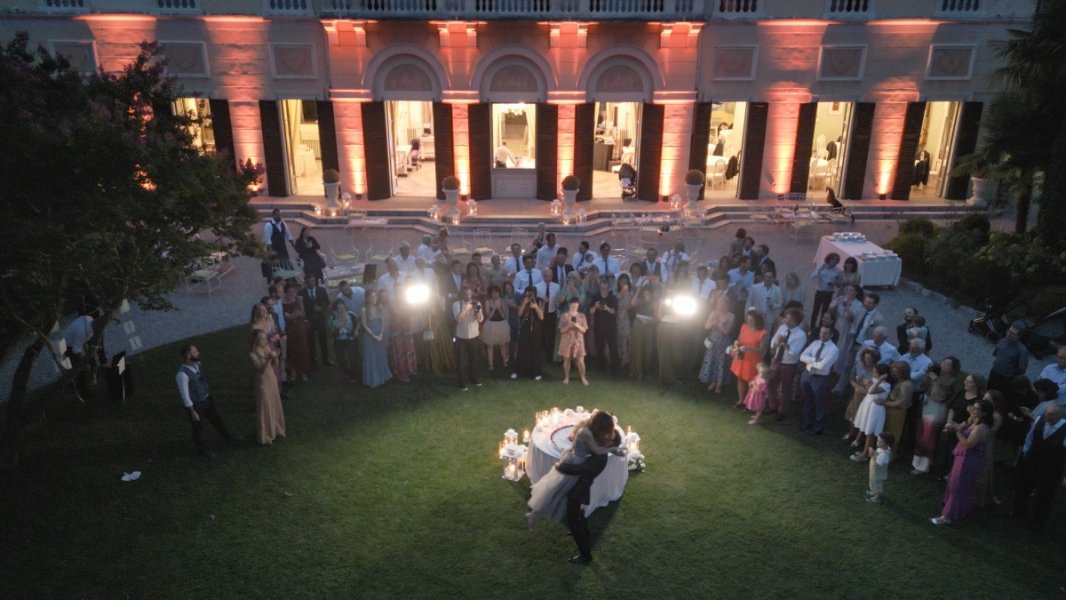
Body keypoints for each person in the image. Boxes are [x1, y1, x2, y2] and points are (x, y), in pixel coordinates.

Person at [544, 412, 623, 565]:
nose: (606, 438)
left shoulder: (600, 458)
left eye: (609, 440)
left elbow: (579, 469)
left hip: (579, 490)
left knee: (573, 519)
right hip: (579, 484)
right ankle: (585, 532)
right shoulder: (599, 449)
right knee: (578, 513)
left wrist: (561, 466)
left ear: (611, 445)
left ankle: (585, 555)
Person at [931, 399, 994, 525]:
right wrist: (955, 427)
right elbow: (962, 425)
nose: (973, 410)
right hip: (963, 458)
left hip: (968, 461)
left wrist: (957, 432)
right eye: (973, 408)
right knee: (955, 484)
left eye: (976, 409)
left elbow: (968, 444)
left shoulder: (981, 428)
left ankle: (947, 516)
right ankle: (957, 511)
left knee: (958, 486)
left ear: (984, 413)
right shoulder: (974, 421)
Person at [1011, 404, 1066, 532]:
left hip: (1051, 467)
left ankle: (1037, 521)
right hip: (1032, 460)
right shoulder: (1038, 420)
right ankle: (1019, 510)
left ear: (1060, 416)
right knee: (1023, 485)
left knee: (1044, 494)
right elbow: (1030, 437)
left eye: (1051, 415)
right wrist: (1025, 452)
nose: (1047, 416)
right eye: (1047, 413)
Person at [175, 344, 236, 458]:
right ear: (188, 356)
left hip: (207, 399)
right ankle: (202, 449)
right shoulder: (182, 375)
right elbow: (185, 395)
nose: (198, 353)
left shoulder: (198, 364)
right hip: (196, 404)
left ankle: (228, 437)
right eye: (195, 352)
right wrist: (192, 411)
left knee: (216, 419)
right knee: (198, 427)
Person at [911, 357, 962, 474]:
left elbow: (941, 396)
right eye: (943, 362)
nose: (944, 365)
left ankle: (923, 466)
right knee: (921, 433)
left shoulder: (952, 381)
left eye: (948, 365)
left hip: (937, 409)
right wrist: (926, 376)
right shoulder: (937, 375)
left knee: (928, 436)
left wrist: (936, 381)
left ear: (953, 369)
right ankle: (919, 461)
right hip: (927, 405)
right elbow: (924, 387)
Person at [766, 308, 807, 420]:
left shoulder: (801, 335)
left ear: (797, 322)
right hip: (776, 361)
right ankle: (772, 406)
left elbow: (795, 352)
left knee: (785, 389)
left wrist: (785, 344)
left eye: (791, 320)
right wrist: (777, 343)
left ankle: (782, 411)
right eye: (787, 319)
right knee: (770, 383)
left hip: (789, 364)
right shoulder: (782, 328)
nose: (787, 322)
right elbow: (773, 342)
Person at [800, 325, 839, 434]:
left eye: (825, 333)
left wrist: (810, 360)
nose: (822, 335)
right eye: (821, 332)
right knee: (807, 399)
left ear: (831, 335)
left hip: (820, 378)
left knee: (820, 402)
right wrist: (815, 359)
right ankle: (808, 422)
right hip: (807, 374)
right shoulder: (814, 343)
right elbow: (802, 356)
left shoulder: (833, 349)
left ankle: (819, 427)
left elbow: (824, 366)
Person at [249, 329, 286, 446]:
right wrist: (270, 358)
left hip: (271, 378)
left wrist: (276, 356)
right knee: (264, 405)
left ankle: (276, 428)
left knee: (274, 402)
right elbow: (260, 368)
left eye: (265, 338)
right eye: (262, 338)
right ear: (256, 340)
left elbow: (274, 364)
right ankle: (265, 435)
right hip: (262, 381)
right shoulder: (252, 354)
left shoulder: (267, 348)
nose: (265, 340)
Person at [851, 363, 892, 461]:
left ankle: (864, 455)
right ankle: (866, 451)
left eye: (875, 372)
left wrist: (879, 381)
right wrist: (871, 382)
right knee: (866, 429)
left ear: (881, 374)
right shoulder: (874, 380)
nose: (873, 373)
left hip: (875, 409)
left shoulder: (886, 385)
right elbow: (866, 386)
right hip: (868, 406)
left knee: (870, 432)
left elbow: (871, 391)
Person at [730, 310, 769, 408]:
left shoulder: (763, 333)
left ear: (757, 320)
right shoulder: (744, 327)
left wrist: (750, 349)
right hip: (741, 356)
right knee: (740, 378)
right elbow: (739, 339)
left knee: (751, 381)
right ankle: (741, 400)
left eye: (751, 320)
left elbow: (762, 349)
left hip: (753, 359)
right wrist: (736, 343)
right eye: (748, 319)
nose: (749, 322)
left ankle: (750, 403)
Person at [699, 296, 736, 394]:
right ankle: (713, 381)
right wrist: (712, 322)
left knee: (721, 363)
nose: (721, 306)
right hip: (713, 341)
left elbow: (727, 331)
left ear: (727, 305)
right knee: (712, 361)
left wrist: (719, 323)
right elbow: (706, 326)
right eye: (719, 303)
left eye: (723, 304)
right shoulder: (713, 313)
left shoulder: (731, 316)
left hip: (724, 342)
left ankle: (719, 383)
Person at [844, 348, 881, 445]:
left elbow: (875, 384)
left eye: (869, 359)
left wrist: (864, 389)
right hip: (857, 393)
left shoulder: (877, 369)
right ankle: (851, 432)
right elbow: (851, 378)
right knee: (852, 412)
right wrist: (858, 388)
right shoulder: (858, 364)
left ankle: (859, 437)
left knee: (863, 416)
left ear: (874, 359)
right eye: (865, 358)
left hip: (868, 396)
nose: (867, 360)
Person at [453, 286, 483, 391]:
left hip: (474, 336)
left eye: (470, 294)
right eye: (466, 294)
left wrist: (476, 311)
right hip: (461, 337)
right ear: (462, 294)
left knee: (474, 359)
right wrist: (466, 309)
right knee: (461, 361)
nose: (468, 296)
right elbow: (459, 319)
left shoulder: (477, 303)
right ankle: (462, 382)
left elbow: (480, 319)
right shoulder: (456, 304)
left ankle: (474, 378)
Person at [511, 287, 544, 381]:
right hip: (525, 328)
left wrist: (536, 307)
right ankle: (518, 371)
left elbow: (541, 317)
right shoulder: (523, 300)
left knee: (535, 350)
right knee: (522, 350)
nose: (529, 295)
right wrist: (524, 303)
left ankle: (536, 372)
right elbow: (519, 314)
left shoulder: (539, 301)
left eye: (531, 294)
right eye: (528, 293)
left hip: (536, 329)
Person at [299, 274, 332, 367]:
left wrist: (321, 308)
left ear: (315, 281)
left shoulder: (321, 290)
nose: (311, 283)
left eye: (312, 281)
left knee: (323, 339)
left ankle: (326, 359)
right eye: (309, 282)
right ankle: (313, 360)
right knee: (311, 341)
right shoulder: (301, 293)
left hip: (320, 318)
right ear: (305, 282)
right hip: (309, 319)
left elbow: (328, 302)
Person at [386, 284, 417, 384]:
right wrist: (408, 311)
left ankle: (410, 369)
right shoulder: (392, 301)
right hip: (397, 328)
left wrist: (408, 310)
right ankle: (401, 373)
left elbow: (414, 310)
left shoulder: (407, 299)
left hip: (406, 327)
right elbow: (397, 313)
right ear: (395, 291)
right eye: (398, 290)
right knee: (400, 351)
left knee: (408, 348)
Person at [282, 283, 313, 383]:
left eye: (294, 292)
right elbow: (282, 318)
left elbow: (304, 315)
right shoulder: (282, 304)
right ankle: (294, 372)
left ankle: (303, 372)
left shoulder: (298, 301)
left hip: (299, 328)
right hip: (289, 328)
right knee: (292, 349)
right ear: (286, 293)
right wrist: (289, 317)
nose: (292, 294)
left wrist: (298, 314)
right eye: (290, 292)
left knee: (302, 348)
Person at [361, 290, 392, 388]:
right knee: (371, 357)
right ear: (367, 298)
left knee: (381, 355)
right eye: (372, 296)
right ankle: (373, 379)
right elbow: (364, 325)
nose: (374, 298)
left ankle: (383, 376)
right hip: (369, 335)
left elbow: (383, 322)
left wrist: (381, 334)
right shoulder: (364, 309)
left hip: (380, 333)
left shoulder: (380, 307)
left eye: (375, 296)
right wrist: (373, 335)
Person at [882, 361, 914, 455]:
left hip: (898, 413)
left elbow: (902, 402)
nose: (892, 373)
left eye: (895, 372)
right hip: (890, 411)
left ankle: (892, 453)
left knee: (894, 433)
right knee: (887, 430)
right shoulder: (898, 382)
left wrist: (885, 403)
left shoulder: (906, 385)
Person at [988, 325, 1030, 393]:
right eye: (1009, 331)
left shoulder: (1022, 351)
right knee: (988, 390)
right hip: (994, 372)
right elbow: (996, 354)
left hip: (1006, 379)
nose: (1009, 334)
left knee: (998, 395)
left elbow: (1022, 370)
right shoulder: (1002, 341)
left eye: (1013, 333)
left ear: (1018, 337)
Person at [628, 284, 657, 381]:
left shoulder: (654, 303)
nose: (646, 296)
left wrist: (649, 322)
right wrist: (638, 291)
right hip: (638, 324)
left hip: (648, 326)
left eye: (648, 294)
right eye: (645, 294)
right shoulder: (640, 301)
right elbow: (632, 304)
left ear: (652, 294)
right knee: (637, 348)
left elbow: (657, 317)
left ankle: (646, 371)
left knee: (647, 349)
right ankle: (637, 372)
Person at [558, 297, 590, 385]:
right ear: (569, 305)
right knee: (567, 360)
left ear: (578, 305)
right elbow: (561, 330)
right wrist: (569, 325)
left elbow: (584, 330)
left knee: (581, 361)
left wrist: (576, 325)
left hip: (578, 341)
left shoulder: (582, 316)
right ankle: (566, 377)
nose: (574, 305)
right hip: (567, 340)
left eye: (576, 304)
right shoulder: (564, 315)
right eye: (572, 304)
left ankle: (583, 377)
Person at [589, 279, 619, 374]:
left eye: (605, 288)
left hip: (610, 327)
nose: (604, 290)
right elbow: (591, 311)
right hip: (599, 327)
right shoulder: (595, 297)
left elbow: (614, 312)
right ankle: (600, 367)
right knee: (599, 347)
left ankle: (615, 368)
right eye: (602, 288)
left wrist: (607, 308)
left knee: (613, 347)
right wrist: (595, 307)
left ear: (609, 288)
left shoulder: (613, 298)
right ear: (600, 288)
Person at [482, 285, 511, 373]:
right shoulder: (487, 302)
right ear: (490, 294)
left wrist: (500, 309)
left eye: (497, 292)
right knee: (490, 346)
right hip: (491, 325)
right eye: (493, 293)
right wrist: (494, 308)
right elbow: (488, 316)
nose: (495, 294)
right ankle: (490, 364)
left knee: (503, 344)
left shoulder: (503, 302)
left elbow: (504, 316)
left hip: (501, 324)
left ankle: (504, 361)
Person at [329, 298, 358, 384]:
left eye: (343, 307)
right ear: (336, 309)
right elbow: (332, 331)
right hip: (339, 340)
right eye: (339, 308)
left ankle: (353, 375)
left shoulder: (351, 315)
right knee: (341, 358)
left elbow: (357, 325)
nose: (342, 309)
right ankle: (345, 373)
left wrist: (354, 330)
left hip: (350, 339)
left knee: (353, 357)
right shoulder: (333, 317)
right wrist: (338, 327)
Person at [810, 253, 841, 330]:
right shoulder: (821, 266)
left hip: (828, 293)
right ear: (828, 259)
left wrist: (835, 283)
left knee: (824, 312)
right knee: (815, 311)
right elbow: (813, 277)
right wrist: (820, 269)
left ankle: (820, 328)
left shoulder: (837, 271)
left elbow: (838, 284)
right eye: (833, 260)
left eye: (836, 260)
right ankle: (812, 327)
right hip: (819, 292)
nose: (834, 262)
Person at [866, 433, 895, 504]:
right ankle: (874, 492)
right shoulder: (882, 449)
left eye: (880, 442)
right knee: (872, 481)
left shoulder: (884, 455)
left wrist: (872, 455)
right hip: (875, 471)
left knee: (877, 484)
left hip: (878, 472)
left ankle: (877, 497)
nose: (877, 442)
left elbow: (877, 465)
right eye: (877, 440)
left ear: (887, 444)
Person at [615, 274, 633, 371]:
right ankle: (620, 358)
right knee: (619, 338)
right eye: (622, 282)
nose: (623, 284)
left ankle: (626, 359)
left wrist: (626, 294)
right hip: (617, 318)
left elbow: (629, 306)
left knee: (626, 338)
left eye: (625, 282)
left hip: (626, 318)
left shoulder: (630, 294)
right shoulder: (616, 293)